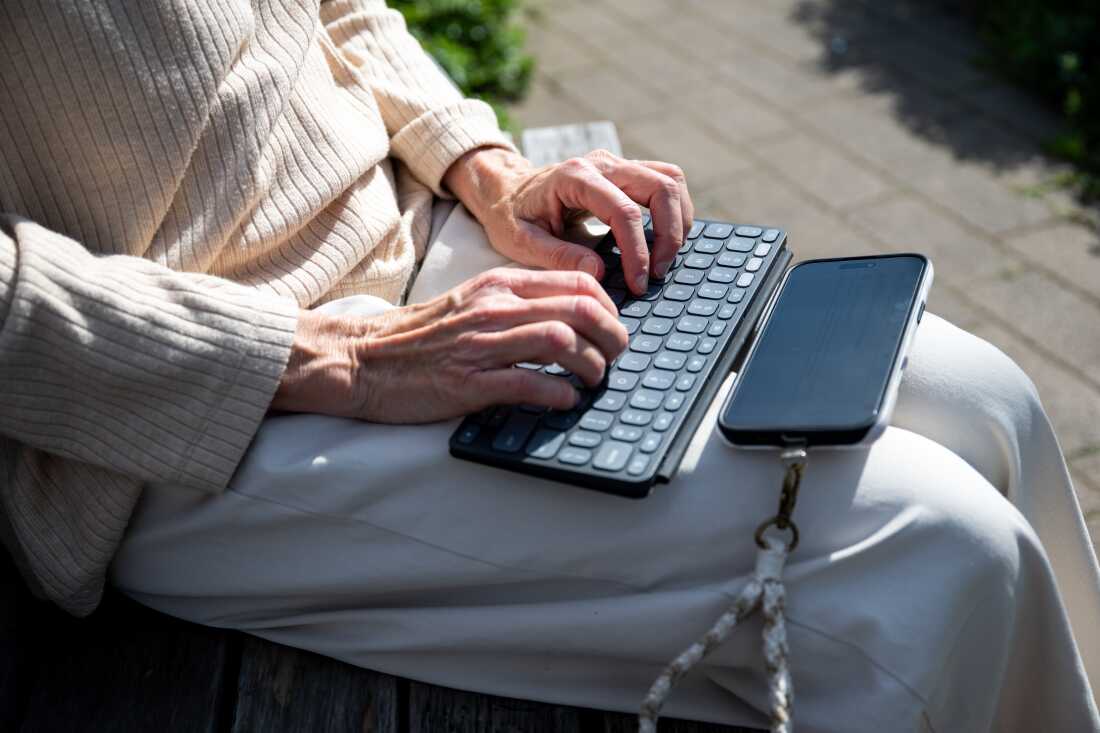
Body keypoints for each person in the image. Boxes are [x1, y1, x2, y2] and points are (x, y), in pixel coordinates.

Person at [0, 1, 1097, 730]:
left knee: (986, 398)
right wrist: (327, 349)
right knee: (931, 552)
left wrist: (481, 166)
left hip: (420, 229)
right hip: (191, 403)